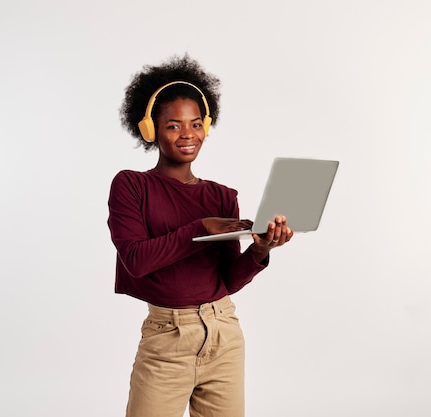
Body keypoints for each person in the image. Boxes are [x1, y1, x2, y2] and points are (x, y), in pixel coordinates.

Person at [107, 54, 293, 417]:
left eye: (195, 124)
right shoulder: (132, 185)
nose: (188, 134)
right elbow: (136, 261)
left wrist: (259, 252)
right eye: (173, 125)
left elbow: (227, 279)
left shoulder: (223, 196)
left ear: (206, 126)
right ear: (150, 130)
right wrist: (200, 227)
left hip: (223, 333)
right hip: (167, 339)